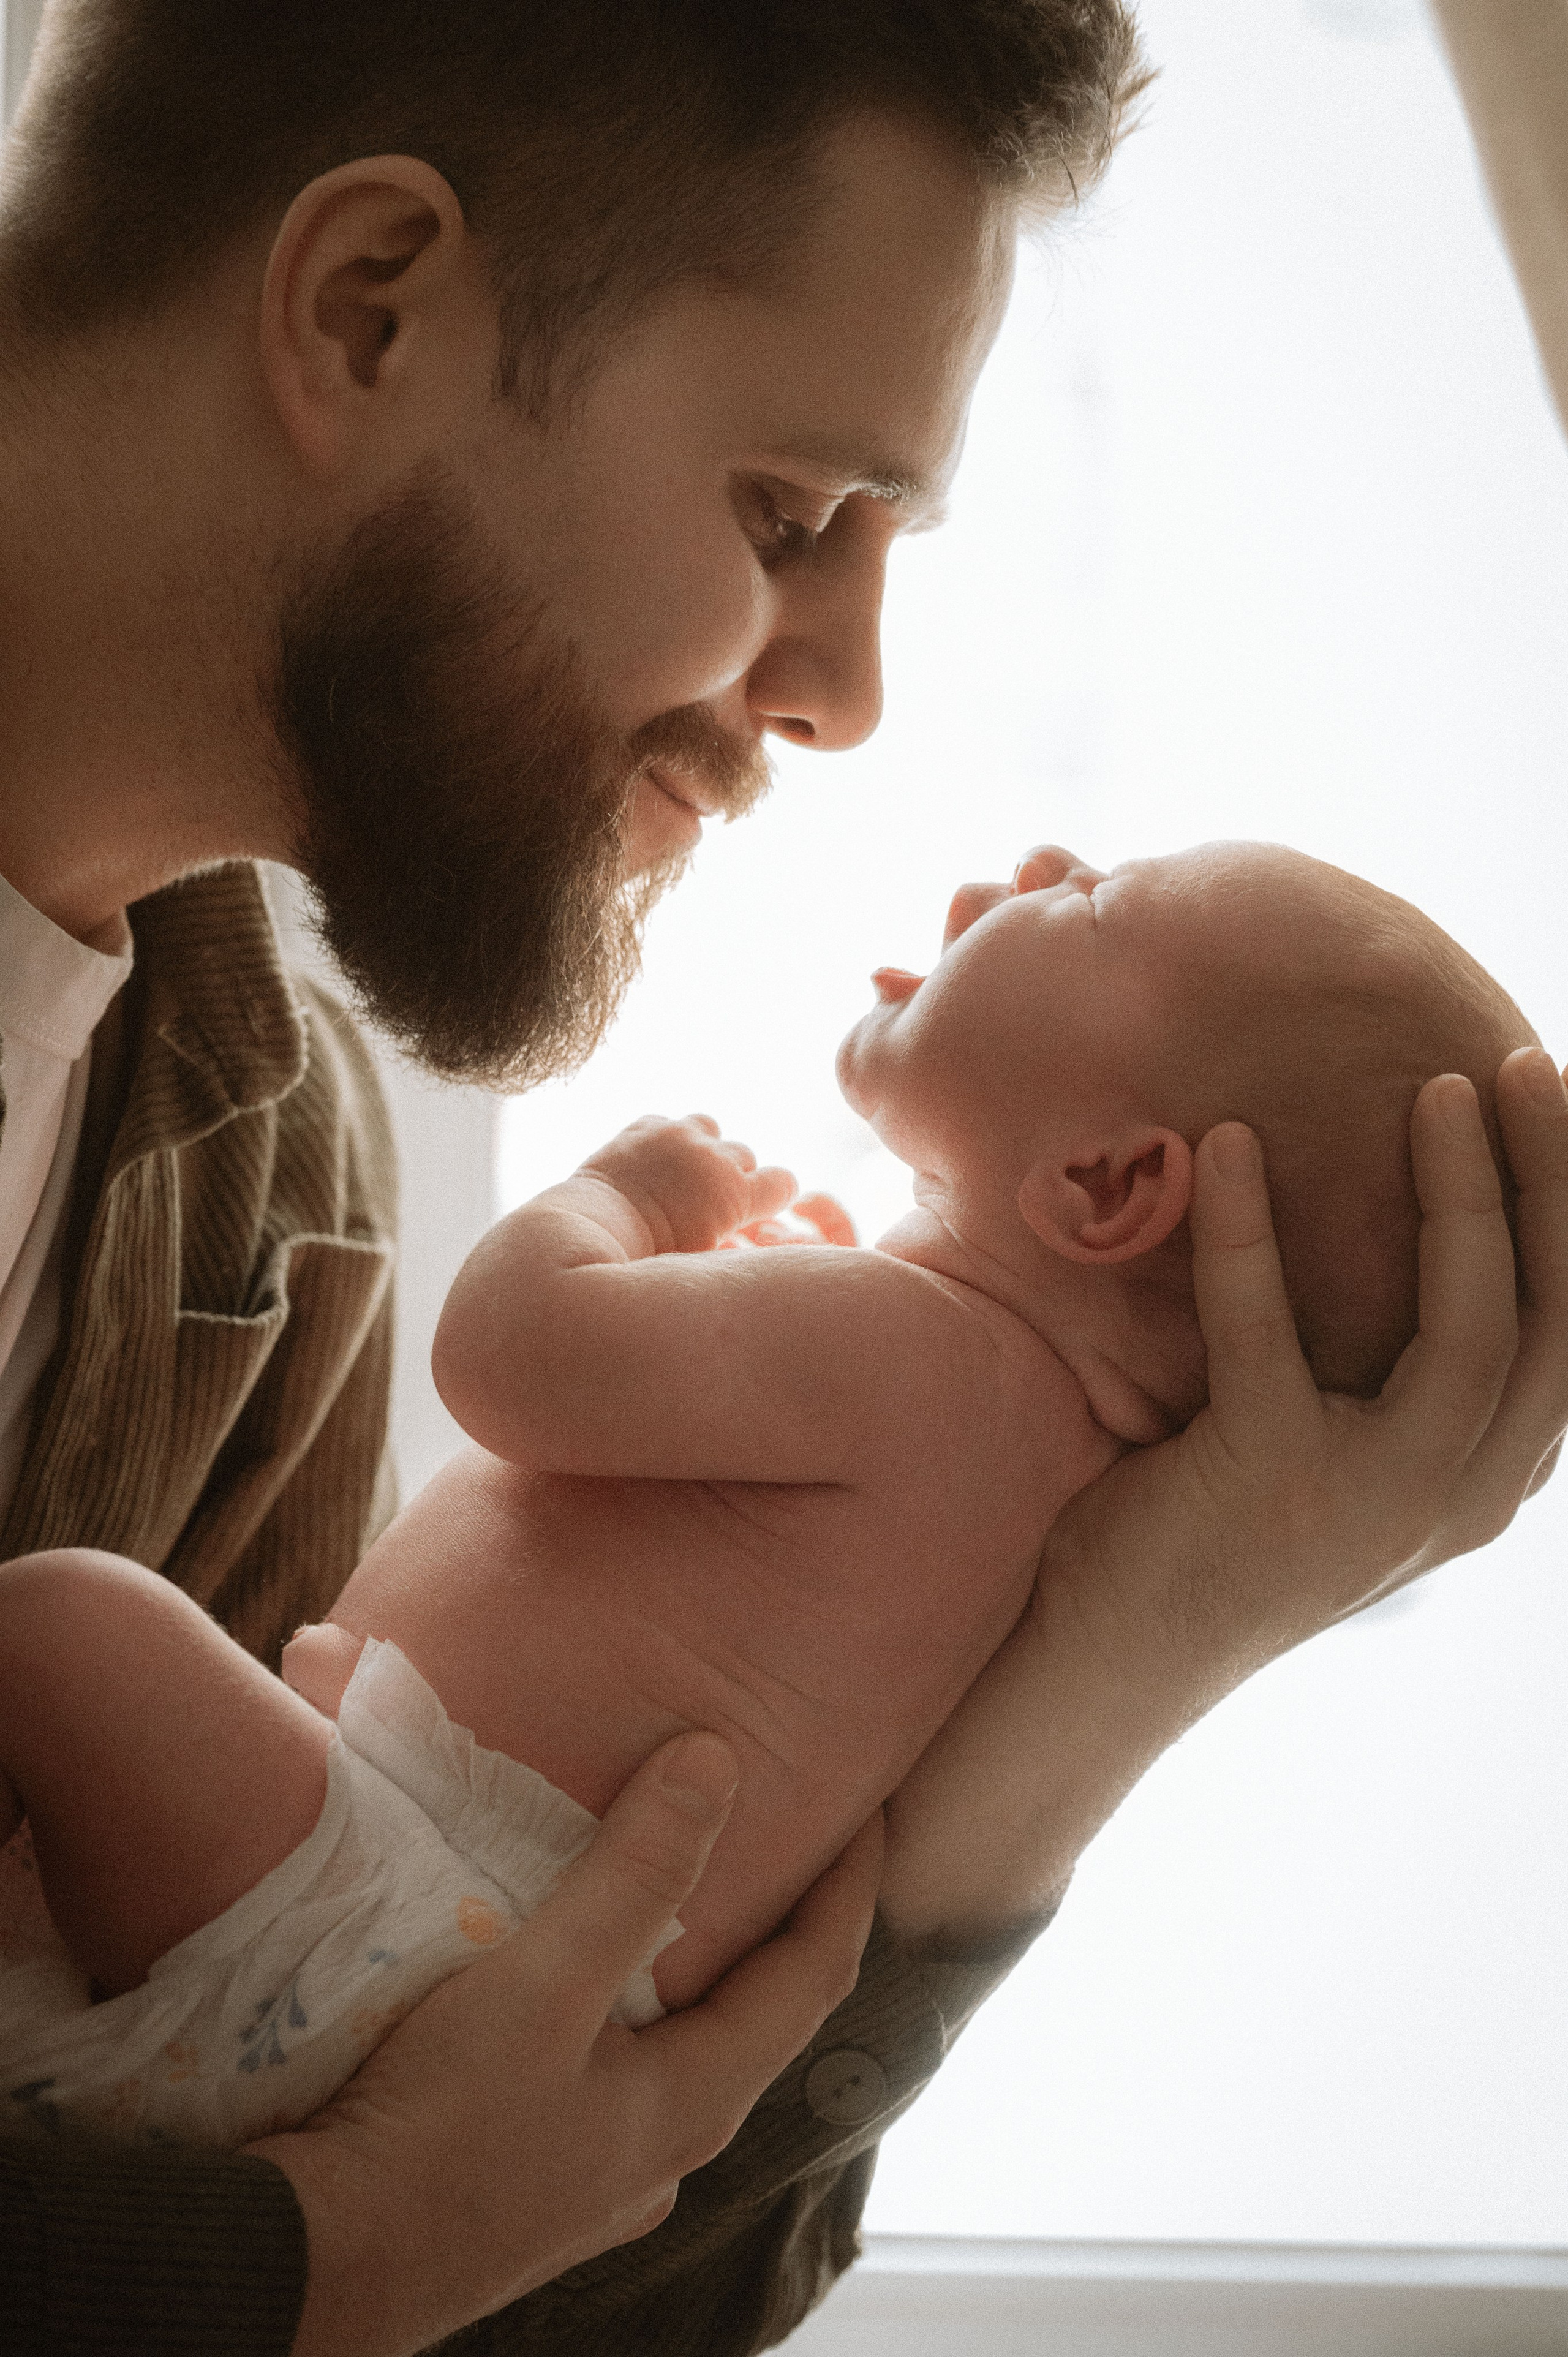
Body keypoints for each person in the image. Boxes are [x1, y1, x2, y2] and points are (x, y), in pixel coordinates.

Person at [0, 1, 1564, 2350]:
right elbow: (363, 2230)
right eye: (790, 515)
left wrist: (1098, 1678)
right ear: (366, 311)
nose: (845, 695)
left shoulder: (272, 1200)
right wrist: (311, 2259)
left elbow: (461, 2181)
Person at [0, 842, 1551, 2145]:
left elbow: (506, 1357)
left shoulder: (910, 1355)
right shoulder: (1033, 1485)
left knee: (63, 1624)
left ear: (1105, 1184)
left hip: (379, 1905)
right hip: (470, 1998)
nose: (1032, 866)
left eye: (1092, 905)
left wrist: (623, 1199)